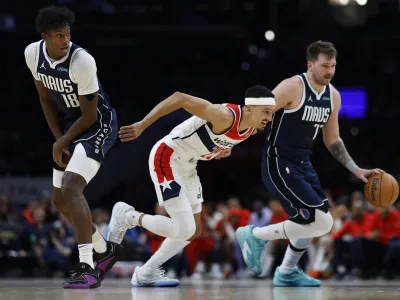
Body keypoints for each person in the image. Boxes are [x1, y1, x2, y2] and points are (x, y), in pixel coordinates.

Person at [236, 41, 383, 287]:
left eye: (333, 66)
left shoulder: (333, 96)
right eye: (325, 65)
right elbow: (256, 113)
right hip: (278, 162)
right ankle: (255, 235)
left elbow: (333, 140)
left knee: (310, 221)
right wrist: (225, 143)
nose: (330, 71)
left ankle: (287, 272)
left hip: (304, 165)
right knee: (321, 221)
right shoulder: (292, 87)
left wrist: (356, 169)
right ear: (310, 64)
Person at [106, 86, 276, 286]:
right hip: (167, 156)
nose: (269, 118)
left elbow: (222, 141)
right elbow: (179, 98)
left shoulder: (251, 128)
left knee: (194, 230)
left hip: (188, 165)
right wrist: (143, 124)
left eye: (271, 113)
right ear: (249, 109)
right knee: (184, 229)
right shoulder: (223, 115)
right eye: (265, 112)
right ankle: (128, 217)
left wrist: (225, 149)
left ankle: (146, 272)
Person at [24, 6, 120, 289]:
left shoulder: (82, 61)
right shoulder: (33, 54)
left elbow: (90, 116)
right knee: (59, 202)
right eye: (58, 36)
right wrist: (60, 141)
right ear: (45, 37)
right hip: (68, 128)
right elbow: (45, 100)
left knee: (71, 188)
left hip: (98, 125)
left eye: (67, 34)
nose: (65, 41)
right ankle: (104, 249)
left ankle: (87, 266)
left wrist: (62, 142)